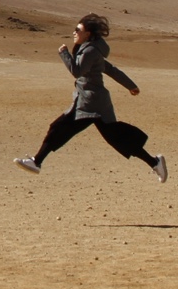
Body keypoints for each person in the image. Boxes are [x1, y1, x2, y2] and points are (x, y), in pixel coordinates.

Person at [15, 12, 167, 181]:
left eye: (77, 29)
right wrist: (131, 86)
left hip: (91, 104)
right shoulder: (90, 49)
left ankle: (36, 162)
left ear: (87, 34)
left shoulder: (89, 51)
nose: (74, 32)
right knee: (114, 137)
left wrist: (64, 53)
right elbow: (110, 69)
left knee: (59, 128)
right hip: (90, 102)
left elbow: (77, 72)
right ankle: (154, 162)